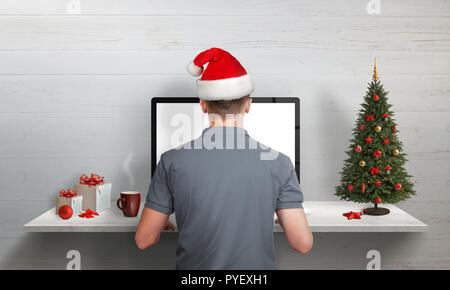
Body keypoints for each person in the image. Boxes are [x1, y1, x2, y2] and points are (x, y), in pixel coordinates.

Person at [135, 48, 313, 270]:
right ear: (248, 105)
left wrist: (171, 216)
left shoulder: (172, 161)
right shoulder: (280, 163)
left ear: (202, 104)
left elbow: (144, 240)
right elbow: (302, 244)